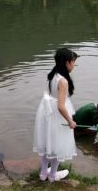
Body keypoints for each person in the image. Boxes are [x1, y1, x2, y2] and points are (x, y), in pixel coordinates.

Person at [33, 48, 78, 182]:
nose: (74, 65)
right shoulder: (63, 81)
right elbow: (61, 106)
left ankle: (43, 173)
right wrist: (70, 121)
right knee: (58, 145)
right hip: (57, 114)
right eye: (73, 62)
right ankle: (52, 176)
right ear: (67, 63)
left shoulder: (53, 74)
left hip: (47, 112)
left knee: (47, 143)